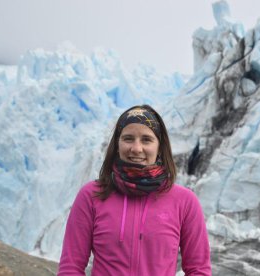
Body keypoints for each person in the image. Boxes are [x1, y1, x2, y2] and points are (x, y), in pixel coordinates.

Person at [58, 104, 211, 275]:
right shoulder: (91, 195)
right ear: (117, 144)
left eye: (146, 139)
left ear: (159, 147)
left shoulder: (184, 201)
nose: (136, 148)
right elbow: (70, 267)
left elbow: (199, 270)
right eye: (128, 138)